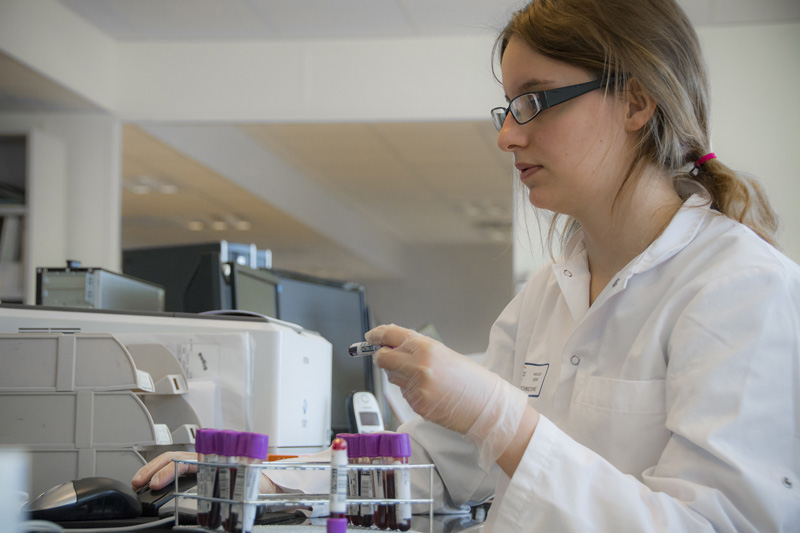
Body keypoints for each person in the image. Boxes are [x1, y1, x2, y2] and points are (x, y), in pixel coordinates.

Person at [134, 0, 800, 530]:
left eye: (534, 101)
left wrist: (503, 418)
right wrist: (251, 473)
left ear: (635, 100)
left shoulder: (743, 291)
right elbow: (430, 463)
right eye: (508, 108)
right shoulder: (552, 288)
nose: (508, 135)